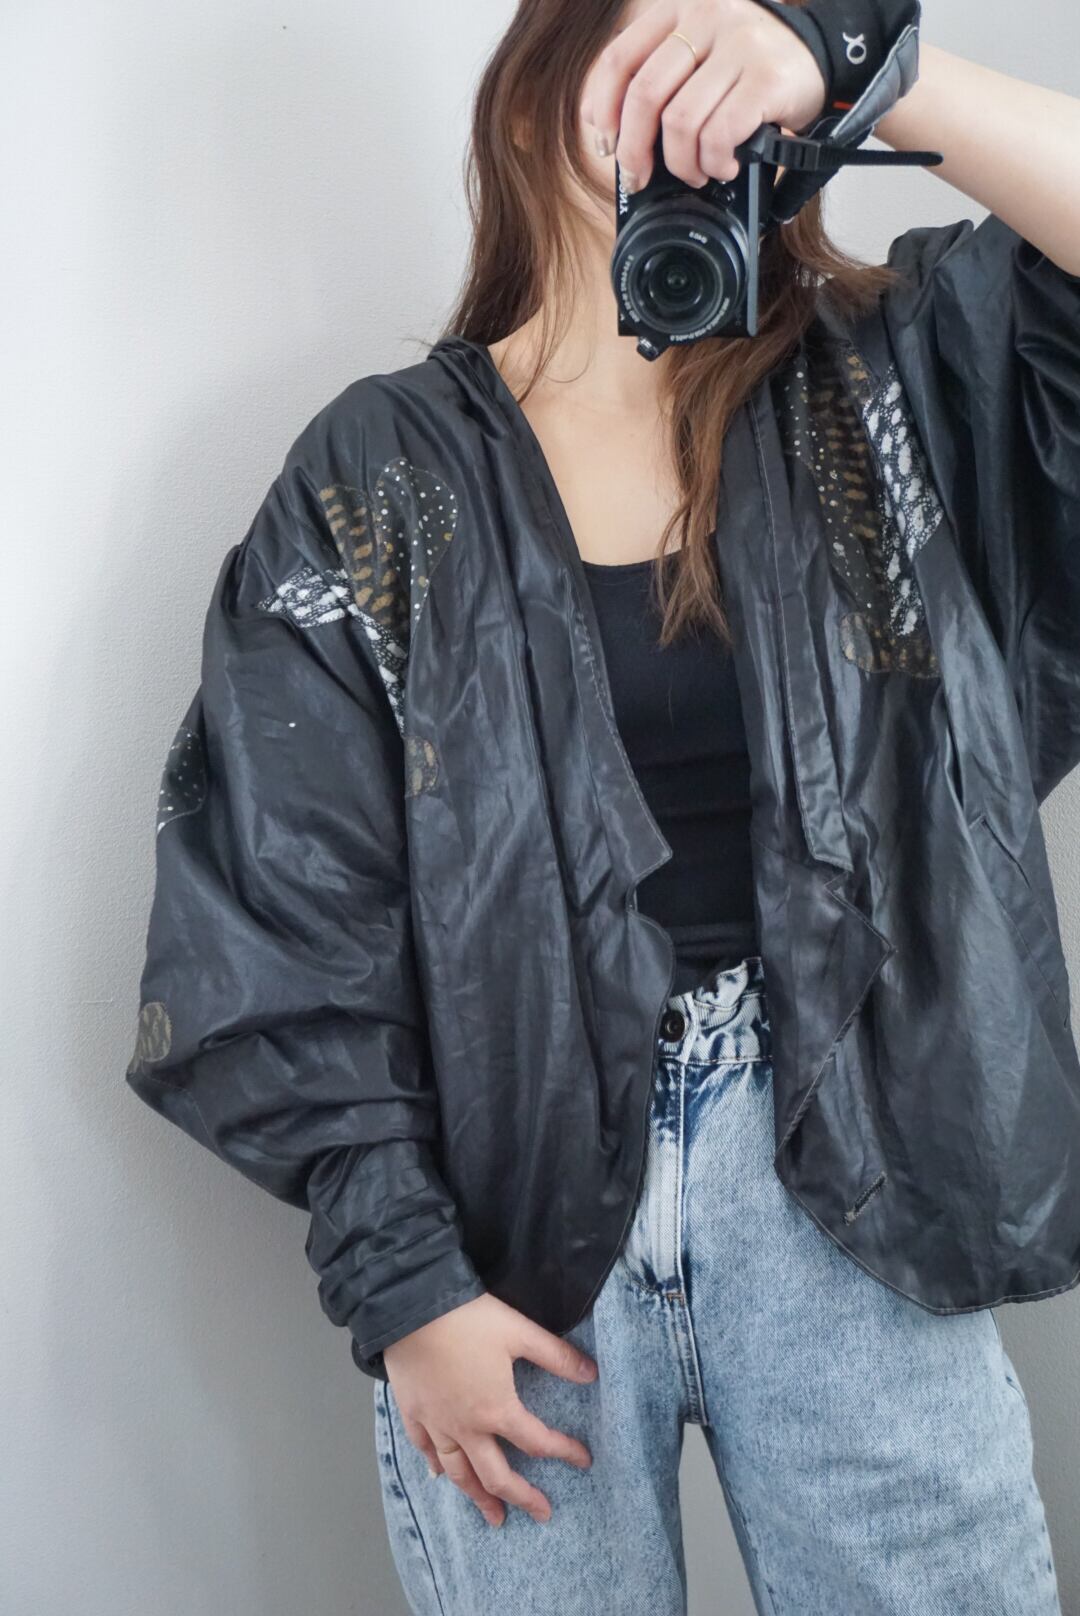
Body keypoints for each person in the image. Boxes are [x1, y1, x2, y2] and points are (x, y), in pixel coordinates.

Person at [126, 0, 1080, 1609]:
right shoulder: (379, 475)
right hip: (507, 1223)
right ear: (529, 103)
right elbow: (283, 908)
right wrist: (404, 1283)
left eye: (723, 62)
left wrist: (875, 68)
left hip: (865, 1173)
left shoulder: (888, 383)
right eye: (648, 52)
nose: (686, 98)